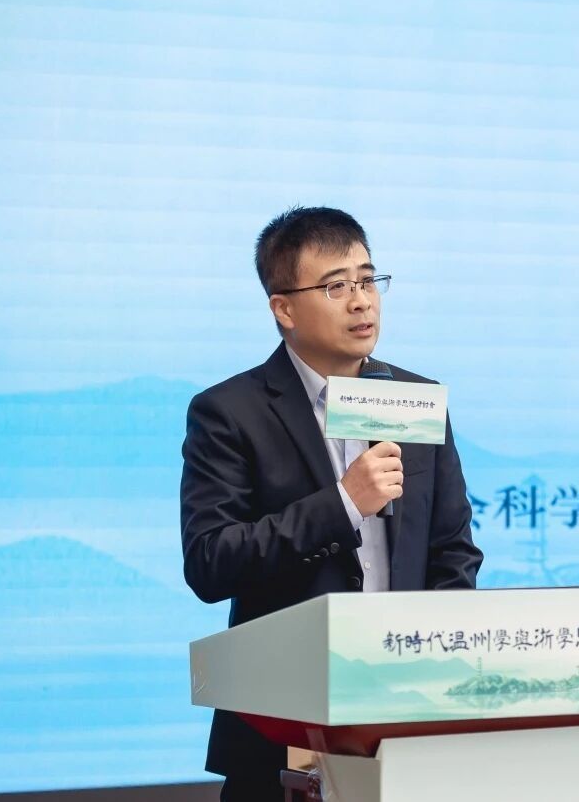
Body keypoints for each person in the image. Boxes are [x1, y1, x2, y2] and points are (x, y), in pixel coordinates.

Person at [179, 207, 483, 801]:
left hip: (406, 721)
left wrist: (436, 676)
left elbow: (453, 551)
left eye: (368, 280)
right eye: (336, 287)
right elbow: (211, 561)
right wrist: (343, 505)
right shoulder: (230, 413)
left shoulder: (414, 400)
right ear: (284, 309)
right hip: (283, 729)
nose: (362, 302)